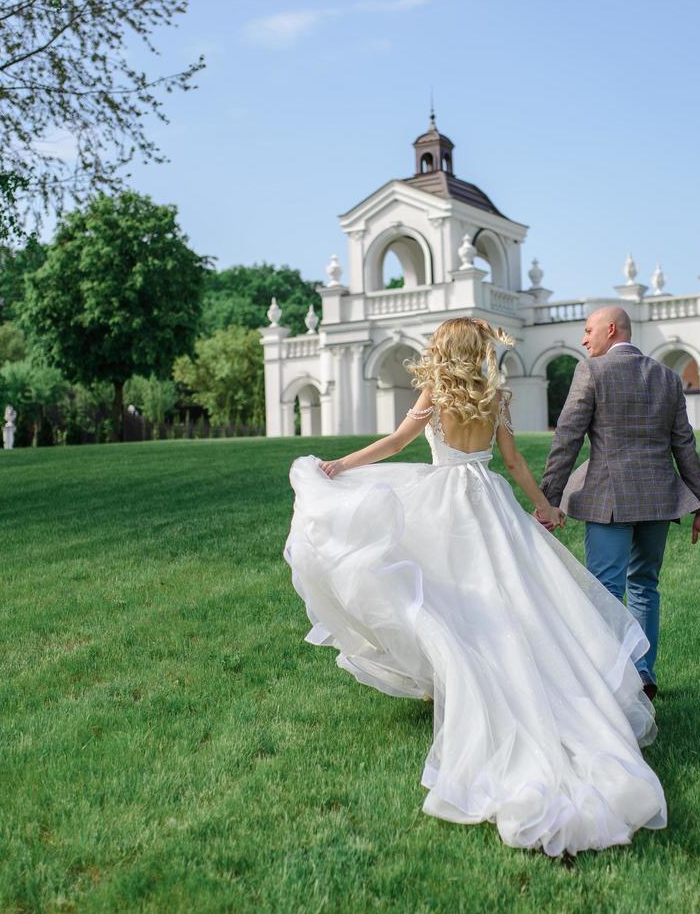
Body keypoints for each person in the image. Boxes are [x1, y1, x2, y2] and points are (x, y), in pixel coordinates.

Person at [284, 317, 665, 856]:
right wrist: (543, 504)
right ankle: (498, 671)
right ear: (479, 350)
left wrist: (341, 465)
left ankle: (459, 675)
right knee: (513, 595)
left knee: (445, 593)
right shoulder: (495, 395)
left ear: (444, 349)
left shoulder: (436, 393)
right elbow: (512, 461)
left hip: (443, 498)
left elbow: (395, 444)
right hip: (488, 498)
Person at [539, 306, 700, 701]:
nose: (584, 340)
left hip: (609, 499)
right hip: (659, 500)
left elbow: (567, 438)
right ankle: (641, 672)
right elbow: (684, 446)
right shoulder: (668, 378)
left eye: (588, 331)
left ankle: (608, 680)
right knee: (644, 586)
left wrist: (548, 500)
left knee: (605, 589)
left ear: (611, 329)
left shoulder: (592, 372)